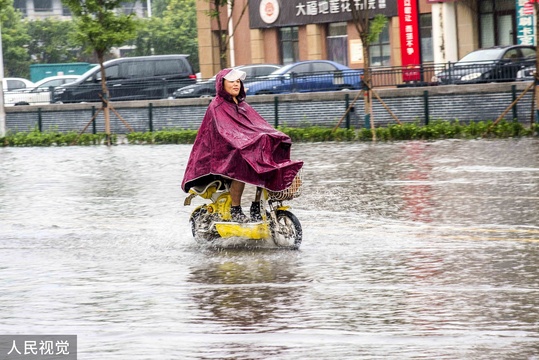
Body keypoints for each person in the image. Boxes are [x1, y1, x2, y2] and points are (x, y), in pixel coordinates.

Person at [181, 68, 303, 222]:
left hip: (241, 147)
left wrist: (274, 136)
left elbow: (259, 126)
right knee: (241, 165)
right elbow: (223, 133)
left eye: (238, 81)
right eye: (231, 81)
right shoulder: (217, 107)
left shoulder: (242, 105)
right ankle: (235, 209)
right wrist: (242, 144)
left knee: (267, 162)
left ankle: (257, 205)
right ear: (221, 84)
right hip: (221, 154)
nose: (236, 84)